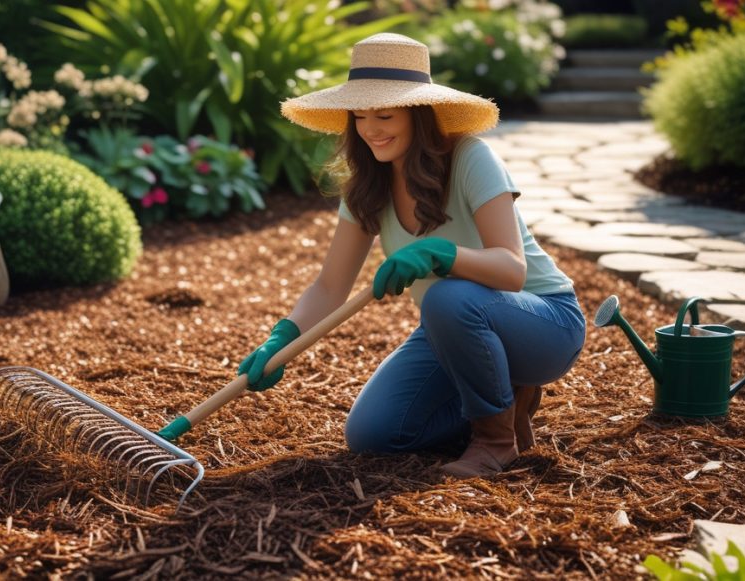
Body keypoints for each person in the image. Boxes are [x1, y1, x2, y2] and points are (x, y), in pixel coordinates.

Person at [237, 33, 586, 478]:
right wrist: (281, 339)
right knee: (374, 434)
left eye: (385, 114)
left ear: (420, 114)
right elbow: (330, 287)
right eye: (360, 116)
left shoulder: (470, 159)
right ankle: (507, 399)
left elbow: (512, 271)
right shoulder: (368, 182)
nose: (370, 129)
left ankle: (496, 441)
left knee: (446, 297)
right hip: (455, 330)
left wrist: (439, 252)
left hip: (543, 324)